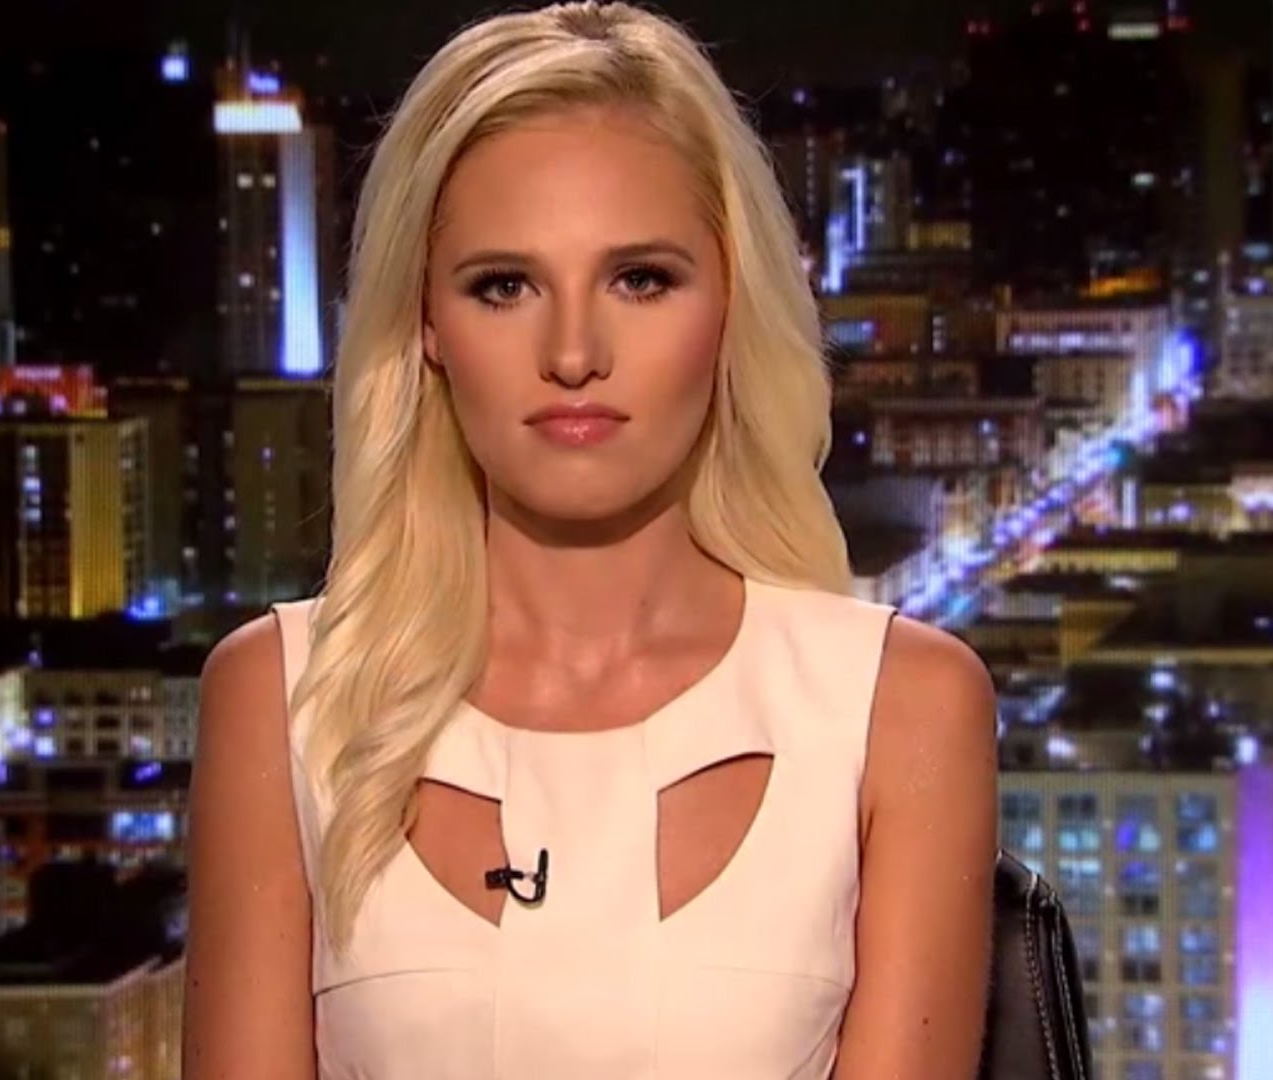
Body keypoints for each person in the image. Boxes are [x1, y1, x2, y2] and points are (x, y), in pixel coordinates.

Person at [184, 3, 998, 1077]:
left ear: (730, 303)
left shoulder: (900, 709)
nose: (573, 354)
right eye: (505, 286)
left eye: (641, 280)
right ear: (426, 324)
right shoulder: (282, 699)